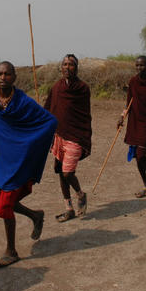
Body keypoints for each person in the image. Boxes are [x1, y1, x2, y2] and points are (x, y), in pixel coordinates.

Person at [0, 62, 57, 268]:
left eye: (7, 74)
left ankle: (11, 251)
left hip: (19, 158)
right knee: (6, 201)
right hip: (1, 157)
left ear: (14, 77)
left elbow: (49, 122)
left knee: (5, 204)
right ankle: (36, 215)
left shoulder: (24, 101)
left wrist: (28, 143)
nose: (3, 77)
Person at [43, 54, 92, 222]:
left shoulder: (83, 88)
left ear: (76, 67)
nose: (67, 67)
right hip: (58, 135)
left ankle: (80, 194)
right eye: (64, 64)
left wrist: (84, 135)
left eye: (71, 64)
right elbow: (49, 108)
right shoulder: (56, 87)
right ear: (61, 67)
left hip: (76, 135)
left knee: (67, 172)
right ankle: (68, 208)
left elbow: (83, 115)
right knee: (59, 172)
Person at [118, 56, 146, 198]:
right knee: (137, 157)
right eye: (137, 65)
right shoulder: (133, 82)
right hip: (136, 123)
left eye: (142, 65)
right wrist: (122, 116)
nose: (139, 68)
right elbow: (129, 102)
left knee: (141, 154)